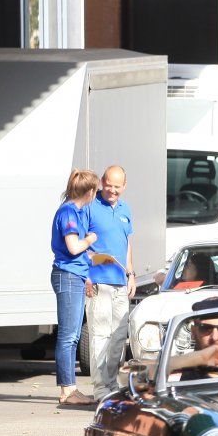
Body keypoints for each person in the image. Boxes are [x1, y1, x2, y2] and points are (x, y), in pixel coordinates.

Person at [51, 169, 100, 407]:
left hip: (75, 275)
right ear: (90, 191)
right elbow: (72, 247)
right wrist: (90, 239)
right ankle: (67, 390)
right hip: (68, 276)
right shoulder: (69, 212)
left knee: (73, 335)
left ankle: (71, 388)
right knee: (68, 336)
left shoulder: (75, 212)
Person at [86, 165, 136, 398]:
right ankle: (100, 388)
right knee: (100, 335)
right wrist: (86, 276)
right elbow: (79, 243)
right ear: (101, 183)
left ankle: (112, 384)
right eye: (108, 185)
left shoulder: (125, 208)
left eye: (117, 186)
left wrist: (131, 274)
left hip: (120, 282)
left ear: (124, 186)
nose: (112, 190)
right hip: (98, 281)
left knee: (118, 337)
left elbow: (127, 244)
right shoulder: (90, 206)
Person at [163, 315, 218, 379]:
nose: (215, 337)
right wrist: (199, 358)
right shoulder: (176, 376)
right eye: (206, 328)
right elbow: (157, 369)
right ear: (193, 332)